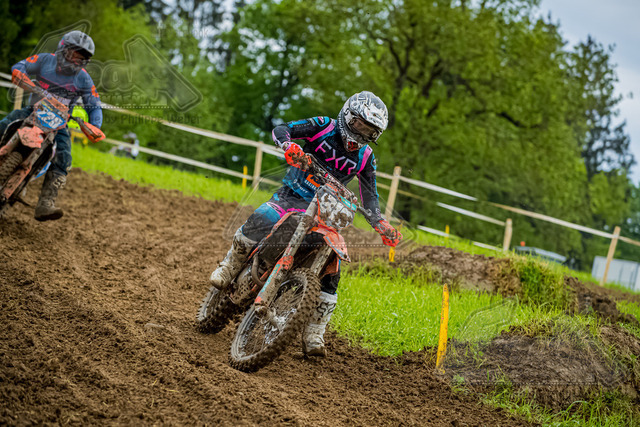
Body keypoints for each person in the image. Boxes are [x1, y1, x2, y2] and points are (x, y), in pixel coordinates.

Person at [210, 91, 403, 357]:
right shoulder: (324, 126)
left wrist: (380, 222)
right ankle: (230, 264)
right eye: (359, 125)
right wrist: (289, 146)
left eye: (369, 132)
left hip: (326, 211)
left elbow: (370, 194)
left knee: (332, 269)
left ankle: (314, 332)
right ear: (348, 116)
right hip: (293, 196)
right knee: (264, 216)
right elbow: (282, 129)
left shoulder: (366, 157)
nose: (361, 134)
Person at [0, 30, 102, 221]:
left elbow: (94, 105)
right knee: (6, 123)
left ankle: (46, 202)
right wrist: (23, 76)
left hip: (59, 123)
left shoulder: (84, 79)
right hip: (32, 111)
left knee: (64, 157)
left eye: (80, 59)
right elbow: (20, 66)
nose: (74, 61)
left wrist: (95, 126)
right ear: (62, 49)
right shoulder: (45, 60)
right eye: (72, 55)